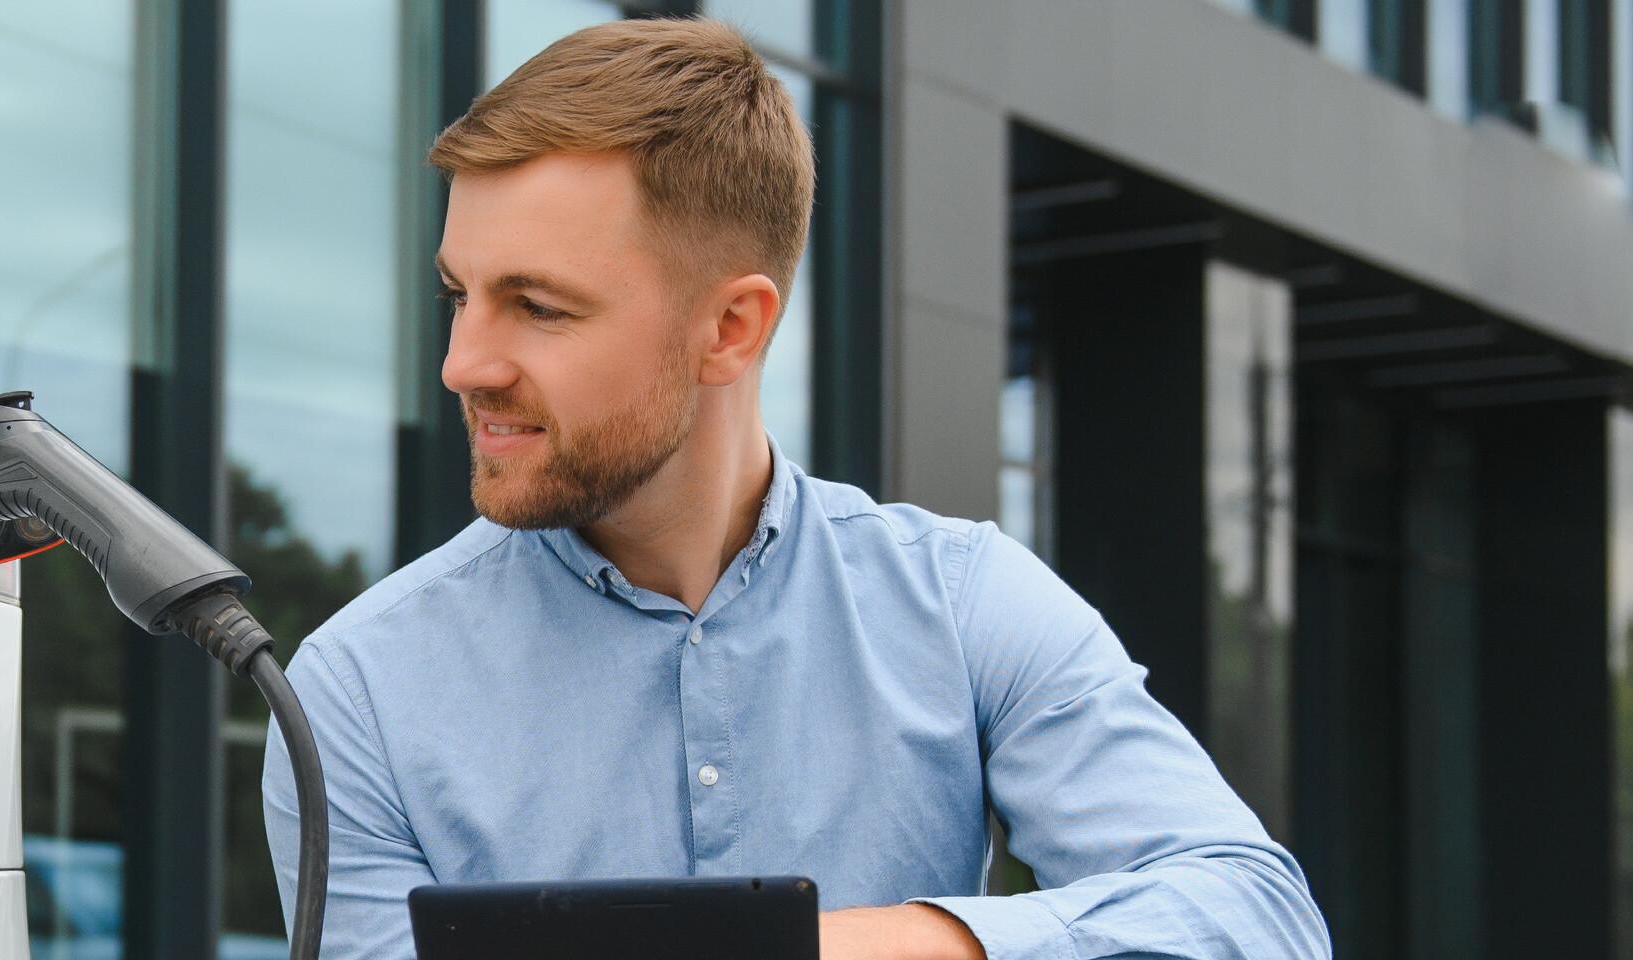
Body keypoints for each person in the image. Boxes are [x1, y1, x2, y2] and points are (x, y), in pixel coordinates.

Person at [257, 18, 1331, 960]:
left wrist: (873, 946)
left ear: (732, 327)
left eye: (537, 306)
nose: (465, 363)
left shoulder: (962, 605)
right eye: (461, 294)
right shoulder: (359, 696)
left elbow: (1255, 915)